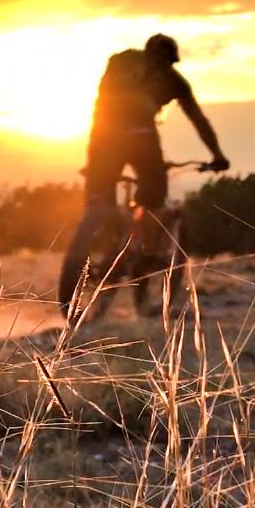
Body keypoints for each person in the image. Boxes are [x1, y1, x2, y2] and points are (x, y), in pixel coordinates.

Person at [58, 33, 230, 320]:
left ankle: (104, 227)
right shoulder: (175, 81)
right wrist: (217, 155)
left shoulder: (121, 60)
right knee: (154, 196)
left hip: (102, 136)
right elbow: (198, 120)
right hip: (141, 138)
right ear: (172, 60)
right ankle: (146, 252)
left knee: (99, 201)